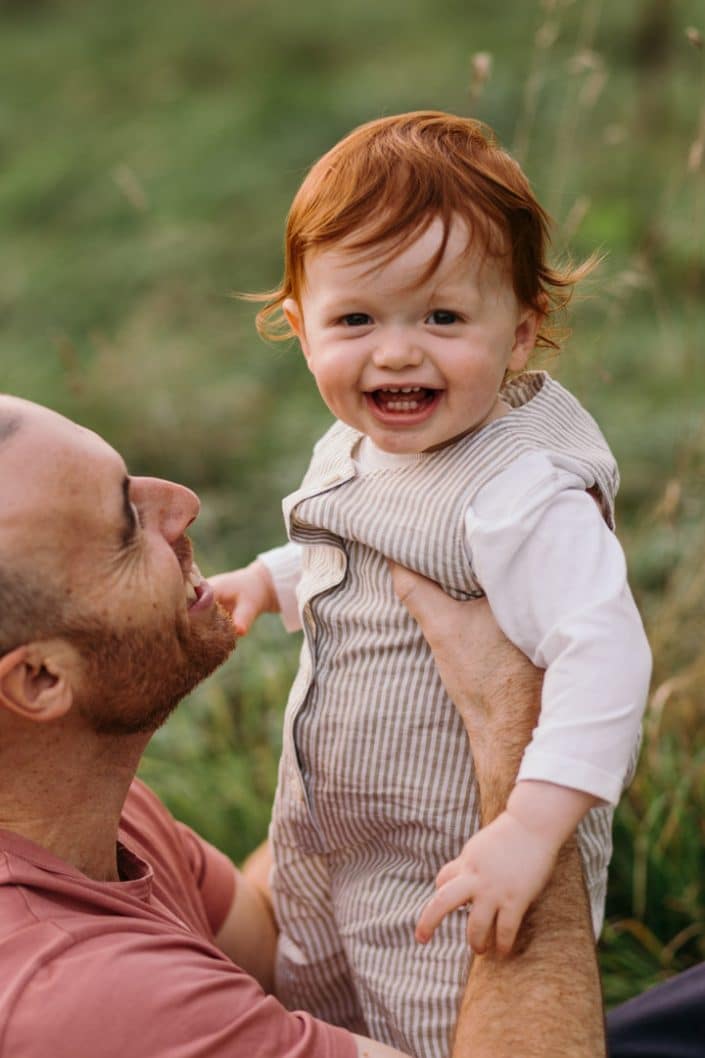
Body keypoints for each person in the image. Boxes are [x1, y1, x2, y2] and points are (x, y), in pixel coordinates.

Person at [211, 111, 652, 1056]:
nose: (397, 352)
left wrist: (531, 831)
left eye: (443, 318)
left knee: (435, 1030)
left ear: (521, 330)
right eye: (356, 319)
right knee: (319, 1003)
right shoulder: (367, 444)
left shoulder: (522, 489)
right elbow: (366, 550)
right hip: (336, 841)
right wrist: (269, 580)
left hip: (461, 860)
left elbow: (604, 652)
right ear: (299, 327)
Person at [0, 394, 607, 1058]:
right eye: (125, 523)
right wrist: (524, 760)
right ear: (39, 682)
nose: (182, 504)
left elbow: (266, 936)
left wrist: (386, 700)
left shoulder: (78, 814)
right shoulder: (80, 994)